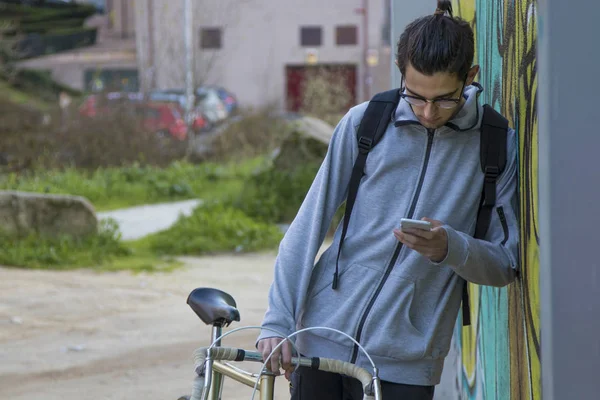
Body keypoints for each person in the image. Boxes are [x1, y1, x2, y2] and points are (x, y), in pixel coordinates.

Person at [257, 1, 520, 398]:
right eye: (415, 96)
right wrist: (277, 321)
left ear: (470, 77)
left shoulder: (496, 146)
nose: (428, 112)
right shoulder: (366, 122)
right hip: (321, 341)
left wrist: (451, 248)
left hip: (407, 366)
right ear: (401, 75)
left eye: (445, 99)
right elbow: (307, 227)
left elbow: (506, 264)